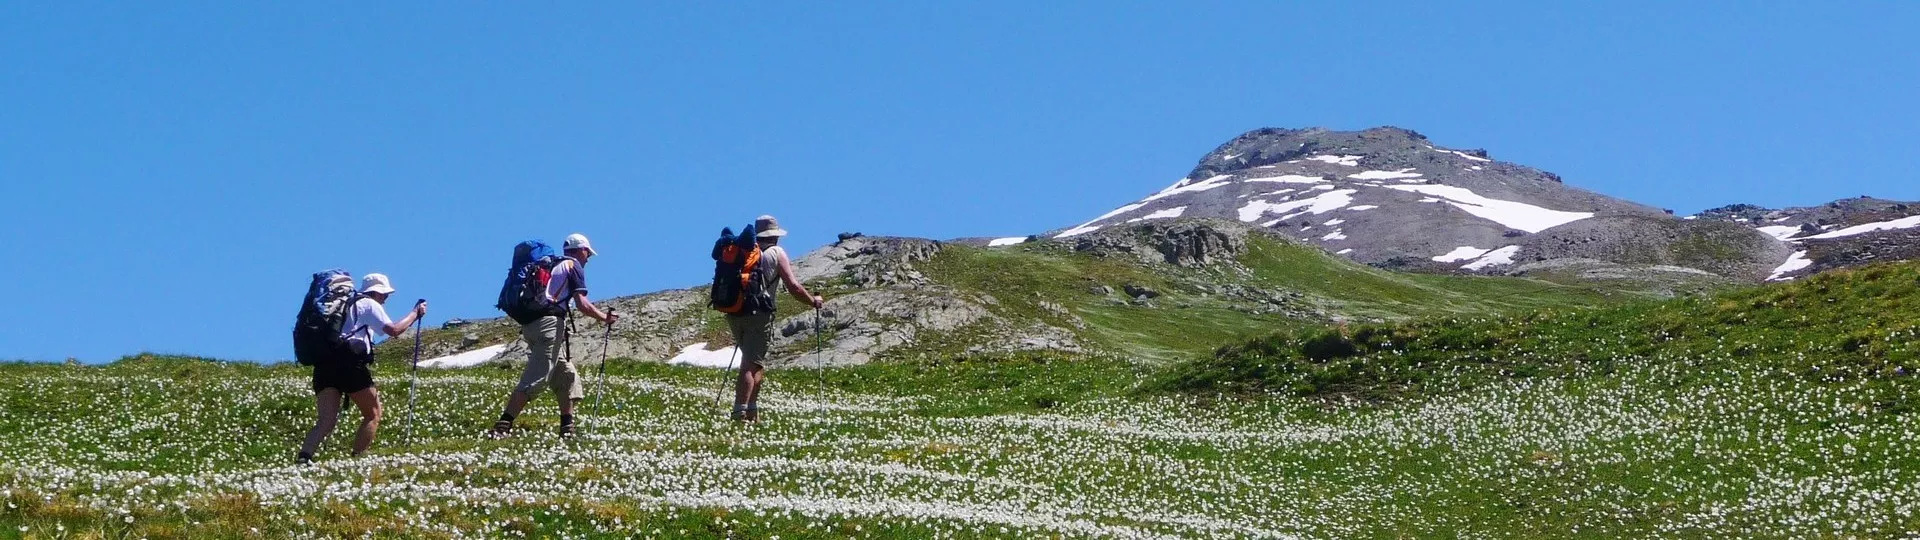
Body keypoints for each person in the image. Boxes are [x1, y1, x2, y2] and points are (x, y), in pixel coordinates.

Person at [491, 233, 618, 438]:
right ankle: (502, 426)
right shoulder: (572, 266)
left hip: (530, 325)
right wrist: (605, 318)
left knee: (566, 374)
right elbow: (582, 304)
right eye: (588, 253)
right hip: (549, 326)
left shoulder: (551, 264)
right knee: (536, 378)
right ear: (581, 250)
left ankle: (567, 429)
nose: (588, 258)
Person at [298, 273, 425, 464]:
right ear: (376, 292)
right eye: (384, 294)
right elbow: (394, 330)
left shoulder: (342, 305)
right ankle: (357, 459)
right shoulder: (369, 304)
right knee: (373, 414)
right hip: (349, 365)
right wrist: (415, 313)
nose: (386, 298)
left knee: (326, 420)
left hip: (324, 364)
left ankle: (304, 457)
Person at [730, 215, 823, 422]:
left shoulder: (745, 251)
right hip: (759, 314)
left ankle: (752, 412)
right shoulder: (776, 253)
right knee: (750, 364)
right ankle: (739, 412)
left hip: (736, 312)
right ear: (775, 235)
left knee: (755, 362)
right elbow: (794, 287)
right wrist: (812, 301)